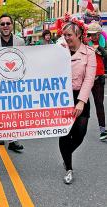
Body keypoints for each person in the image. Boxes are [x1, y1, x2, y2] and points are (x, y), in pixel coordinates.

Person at [57, 15, 96, 184]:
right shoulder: (58, 50)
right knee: (65, 133)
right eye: (64, 35)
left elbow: (89, 78)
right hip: (62, 97)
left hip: (80, 96)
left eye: (69, 35)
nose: (66, 38)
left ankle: (66, 154)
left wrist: (81, 101)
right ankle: (69, 168)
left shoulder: (89, 53)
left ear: (79, 34)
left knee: (80, 134)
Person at [0, 14, 25, 151]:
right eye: (2, 24)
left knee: (13, 110)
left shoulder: (20, 42)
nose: (5, 26)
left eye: (8, 23)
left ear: (12, 25)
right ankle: (0, 134)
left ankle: (13, 140)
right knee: (0, 109)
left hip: (15, 81)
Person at [87, 22, 107, 140]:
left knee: (99, 104)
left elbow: (106, 55)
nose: (94, 37)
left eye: (96, 34)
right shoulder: (84, 42)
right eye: (92, 34)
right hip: (86, 78)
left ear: (99, 34)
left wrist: (98, 48)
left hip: (99, 77)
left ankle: (103, 130)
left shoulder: (103, 42)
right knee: (81, 103)